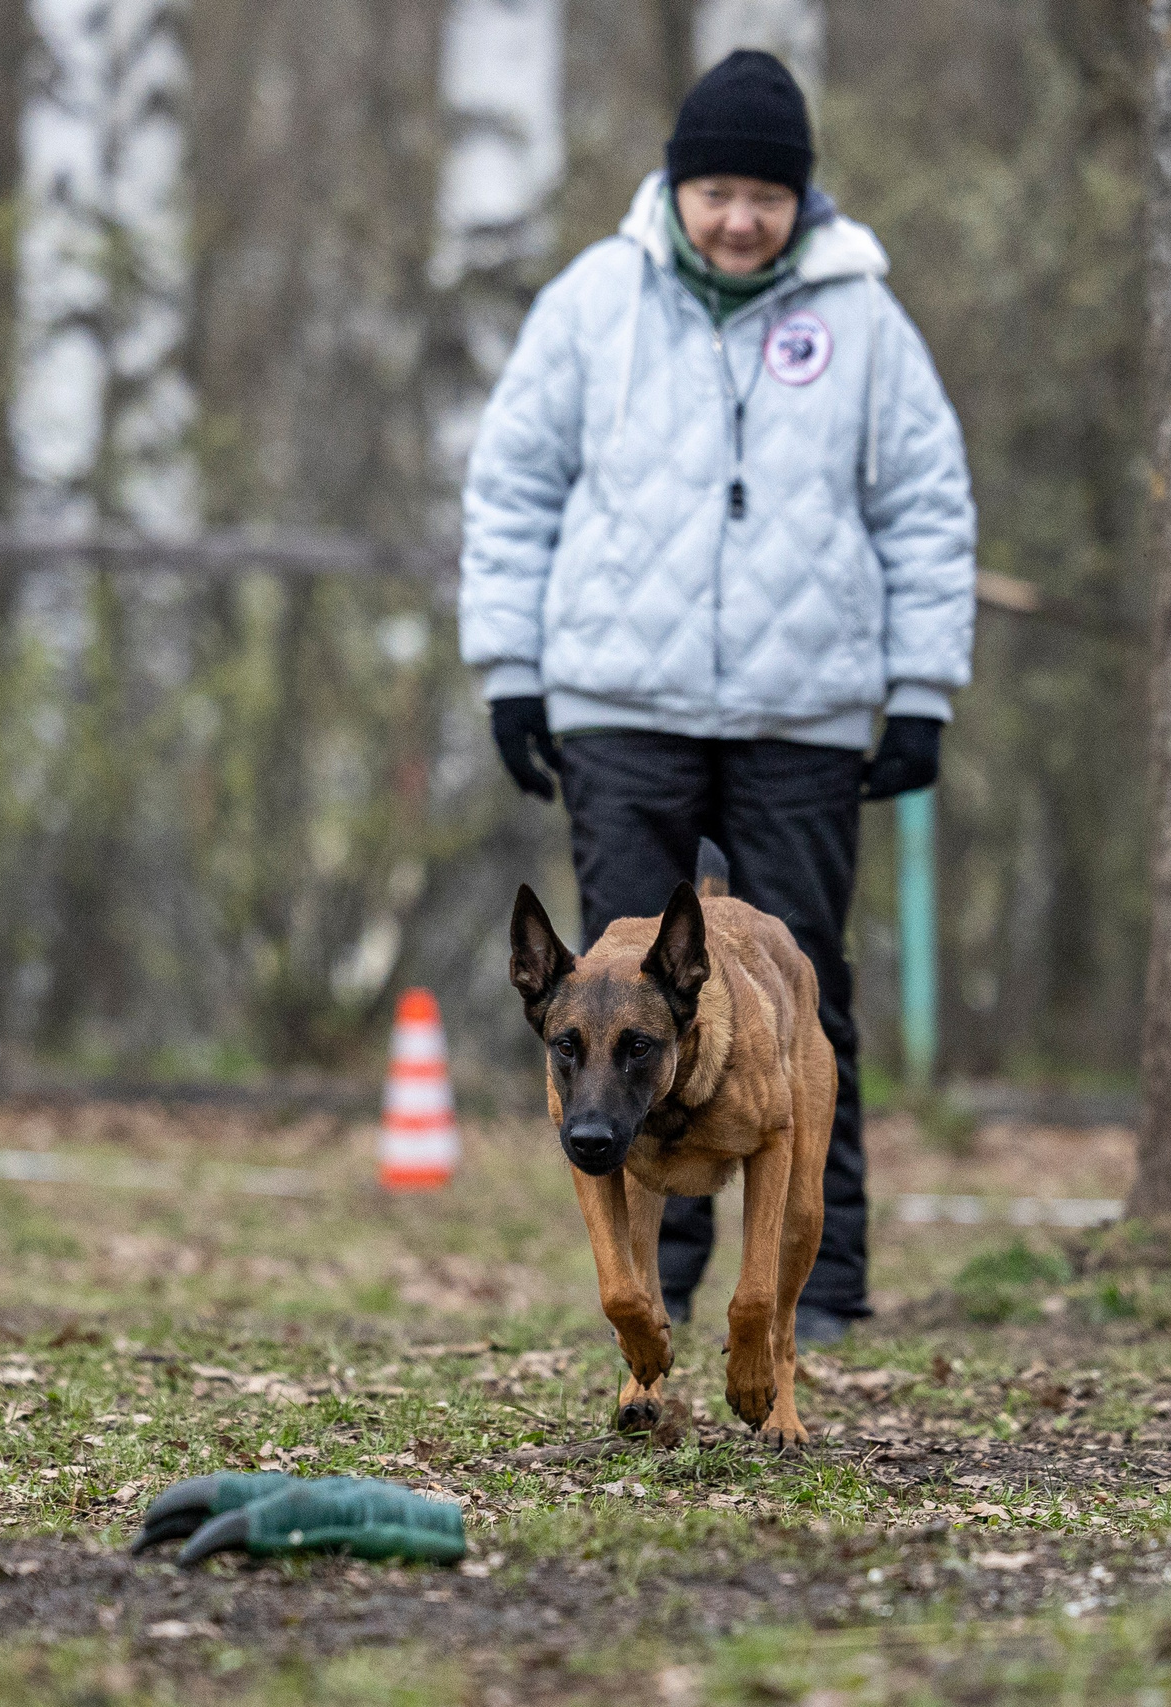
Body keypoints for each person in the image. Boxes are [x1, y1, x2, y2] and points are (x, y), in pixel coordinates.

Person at [457, 50, 977, 1346]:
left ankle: (825, 1280)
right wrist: (514, 669)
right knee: (625, 1003)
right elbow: (512, 486)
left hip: (802, 713)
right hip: (620, 703)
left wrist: (918, 686)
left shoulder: (864, 318)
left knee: (807, 1001)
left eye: (766, 192)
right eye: (716, 189)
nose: (740, 216)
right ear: (675, 189)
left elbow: (925, 505)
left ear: (802, 199)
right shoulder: (594, 301)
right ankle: (665, 1279)